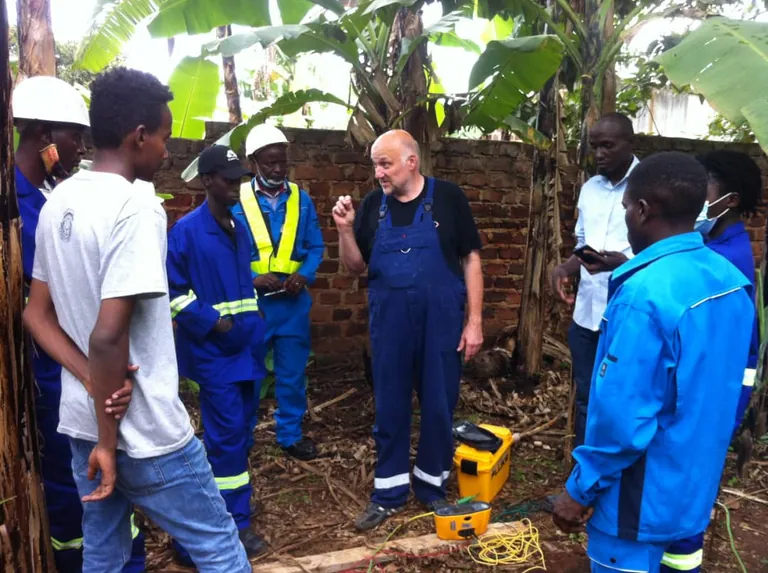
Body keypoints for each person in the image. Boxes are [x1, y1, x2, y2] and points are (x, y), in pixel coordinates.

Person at [22, 67, 251, 573]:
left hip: (82, 422)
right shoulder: (137, 208)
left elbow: (35, 315)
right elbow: (109, 336)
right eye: (165, 138)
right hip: (142, 432)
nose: (167, 152)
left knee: (103, 553)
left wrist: (86, 383)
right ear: (138, 136)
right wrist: (109, 440)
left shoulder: (60, 198)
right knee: (220, 548)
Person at [551, 152, 754, 573]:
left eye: (626, 207)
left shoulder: (643, 297)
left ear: (642, 211)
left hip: (637, 503)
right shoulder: (731, 282)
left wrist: (580, 490)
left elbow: (621, 420)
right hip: (691, 491)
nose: (626, 216)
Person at [13, 75, 146, 573]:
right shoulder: (14, 202)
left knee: (104, 468)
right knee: (70, 480)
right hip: (51, 365)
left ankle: (122, 559)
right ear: (44, 133)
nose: (80, 148)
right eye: (73, 137)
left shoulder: (53, 194)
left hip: (86, 357)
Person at [332, 129, 484, 531]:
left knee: (438, 404)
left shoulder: (448, 198)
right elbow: (355, 267)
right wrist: (346, 230)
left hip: (442, 324)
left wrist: (474, 322)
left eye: (385, 163)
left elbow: (471, 259)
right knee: (390, 407)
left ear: (411, 162)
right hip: (391, 326)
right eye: (375, 165)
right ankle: (389, 492)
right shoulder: (371, 207)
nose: (378, 173)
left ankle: (432, 487)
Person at [659, 150, 762, 573]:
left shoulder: (727, 261)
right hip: (702, 401)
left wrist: (726, 412)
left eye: (706, 185)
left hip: (705, 404)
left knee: (684, 502)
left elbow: (739, 351)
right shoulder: (709, 245)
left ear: (731, 199)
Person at [166, 145, 268, 563]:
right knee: (226, 441)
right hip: (215, 355)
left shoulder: (238, 227)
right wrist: (213, 322)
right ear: (207, 180)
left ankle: (216, 519)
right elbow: (173, 292)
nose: (236, 187)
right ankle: (232, 527)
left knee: (240, 437)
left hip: (247, 350)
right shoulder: (187, 231)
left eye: (239, 179)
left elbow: (243, 287)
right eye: (228, 180)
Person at [232, 123, 324, 461]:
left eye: (281, 161)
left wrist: (304, 275)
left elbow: (315, 246)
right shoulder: (236, 198)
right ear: (254, 161)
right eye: (269, 162)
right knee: (249, 373)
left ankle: (290, 436)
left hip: (293, 303)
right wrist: (250, 279)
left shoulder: (301, 198)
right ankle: (241, 437)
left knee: (292, 374)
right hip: (253, 304)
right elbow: (224, 250)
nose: (277, 168)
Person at [551, 113, 639, 448]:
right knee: (587, 397)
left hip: (628, 314)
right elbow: (583, 242)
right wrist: (566, 268)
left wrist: (624, 264)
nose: (599, 153)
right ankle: (584, 479)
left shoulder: (648, 185)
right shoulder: (590, 188)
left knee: (624, 399)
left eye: (608, 145)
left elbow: (664, 251)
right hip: (587, 315)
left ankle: (615, 479)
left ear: (629, 143)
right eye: (594, 146)